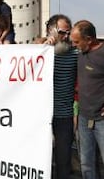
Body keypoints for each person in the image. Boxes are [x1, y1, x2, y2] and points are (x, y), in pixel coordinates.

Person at [41, 14, 78, 179]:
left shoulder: (75, 53)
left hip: (65, 117)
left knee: (63, 163)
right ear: (51, 30)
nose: (67, 37)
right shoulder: (40, 52)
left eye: (68, 33)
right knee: (41, 162)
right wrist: (42, 48)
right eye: (63, 32)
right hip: (41, 117)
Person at [70, 20, 104, 179]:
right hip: (84, 118)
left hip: (102, 121)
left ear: (89, 39)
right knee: (86, 163)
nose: (74, 45)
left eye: (77, 42)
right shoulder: (80, 52)